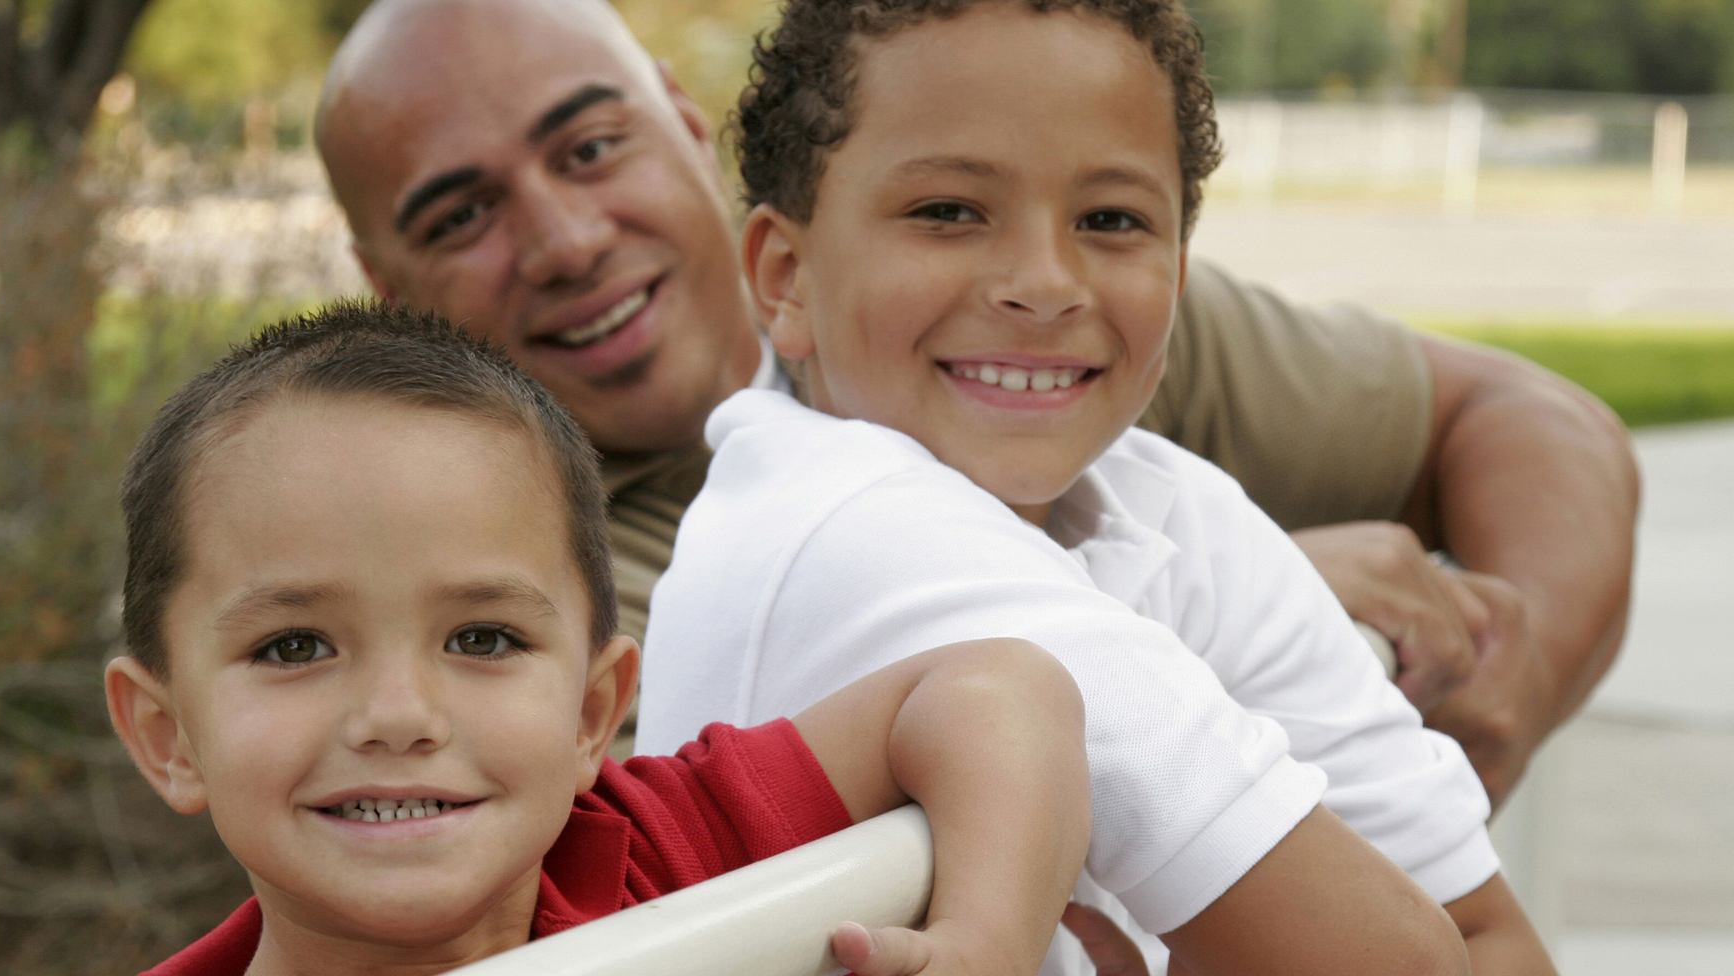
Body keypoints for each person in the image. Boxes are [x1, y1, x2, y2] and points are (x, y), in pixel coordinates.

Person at [313, 0, 1637, 806]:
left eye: (590, 144)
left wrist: (1508, 672)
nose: (562, 238)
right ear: (383, 287)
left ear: (678, 114)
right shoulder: (487, 569)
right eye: (462, 213)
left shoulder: (1028, 311)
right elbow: (894, 756)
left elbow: (1531, 421)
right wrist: (1251, 603)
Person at [635, 2, 1553, 974]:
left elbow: (1491, 940)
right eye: (948, 210)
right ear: (785, 277)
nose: (1044, 282)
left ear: (1180, 268)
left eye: (1110, 219)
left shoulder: (1166, 506)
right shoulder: (848, 526)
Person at [102, 302, 1104, 976]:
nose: (398, 716)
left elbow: (1001, 691)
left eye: (483, 638)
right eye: (294, 647)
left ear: (592, 711)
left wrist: (990, 940)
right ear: (167, 733)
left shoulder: (660, 858)